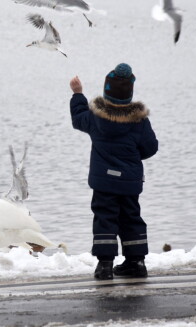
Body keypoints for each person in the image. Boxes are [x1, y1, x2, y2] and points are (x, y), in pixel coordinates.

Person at [69, 63, 158, 280]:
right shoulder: (139, 121)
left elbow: (78, 118)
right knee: (131, 218)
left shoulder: (96, 117)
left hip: (104, 182)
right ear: (130, 93)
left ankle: (105, 266)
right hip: (129, 181)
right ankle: (136, 262)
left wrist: (78, 94)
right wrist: (132, 158)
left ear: (106, 90)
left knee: (105, 219)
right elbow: (150, 147)